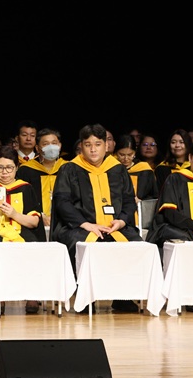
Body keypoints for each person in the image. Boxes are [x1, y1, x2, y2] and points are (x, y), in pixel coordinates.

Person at [51, 123, 143, 314]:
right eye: (88, 145)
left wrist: (121, 221)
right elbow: (62, 202)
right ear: (81, 146)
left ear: (106, 146)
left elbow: (129, 201)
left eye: (98, 144)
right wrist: (86, 224)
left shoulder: (118, 169)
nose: (93, 149)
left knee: (136, 244)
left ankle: (123, 297)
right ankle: (85, 298)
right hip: (79, 226)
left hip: (115, 226)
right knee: (81, 244)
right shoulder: (70, 169)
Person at [0, 145, 45, 313]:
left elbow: (34, 221)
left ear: (17, 167)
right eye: (0, 167)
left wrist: (14, 214)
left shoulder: (26, 188)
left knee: (32, 245)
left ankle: (32, 294)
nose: (4, 172)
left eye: (9, 167)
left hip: (22, 231)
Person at [146, 138, 193, 312]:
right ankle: (189, 294)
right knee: (186, 240)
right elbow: (170, 213)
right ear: (190, 158)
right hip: (176, 228)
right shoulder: (175, 179)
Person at [17, 127, 67, 230]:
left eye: (54, 143)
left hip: (64, 224)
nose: (51, 147)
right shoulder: (26, 170)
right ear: (37, 148)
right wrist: (39, 216)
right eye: (45, 144)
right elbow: (23, 200)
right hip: (35, 224)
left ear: (60, 145)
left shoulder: (68, 169)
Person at [115, 134, 159, 202]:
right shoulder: (112, 169)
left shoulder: (145, 170)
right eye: (122, 155)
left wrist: (141, 201)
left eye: (130, 154)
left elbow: (154, 196)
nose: (126, 158)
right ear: (116, 153)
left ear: (135, 152)